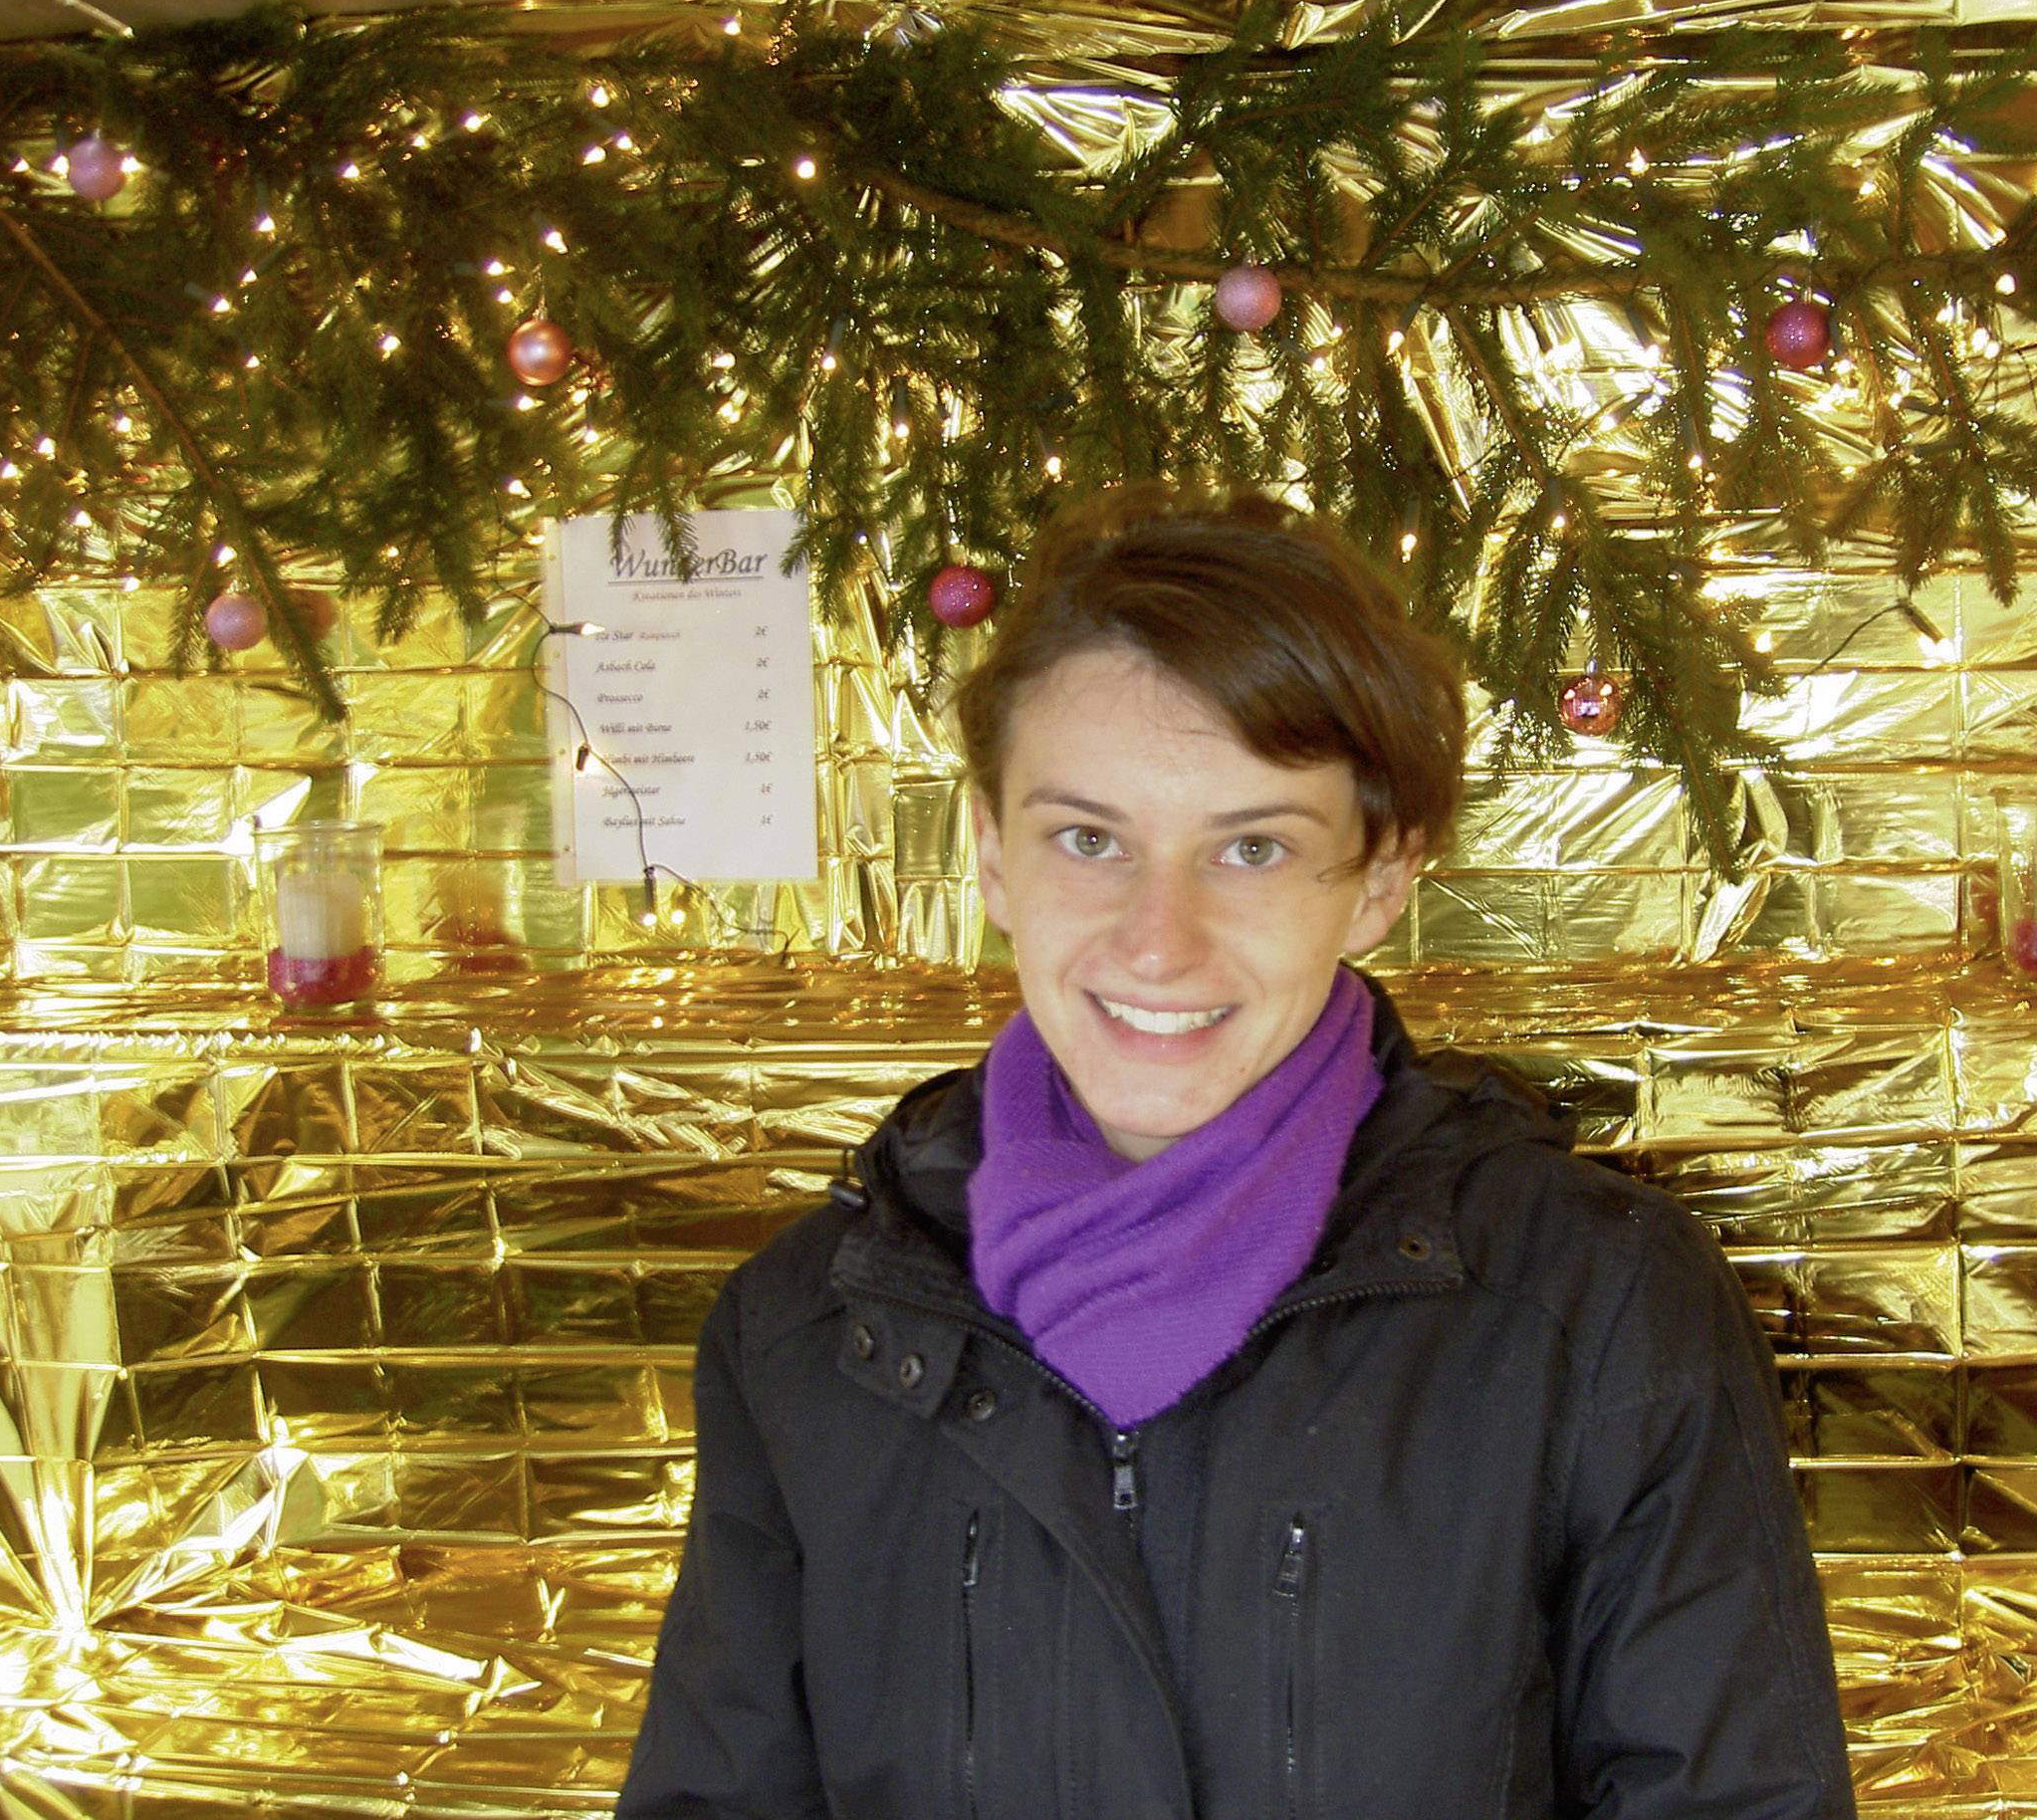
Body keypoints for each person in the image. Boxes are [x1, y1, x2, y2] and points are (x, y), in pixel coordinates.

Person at [614, 485, 1855, 1819]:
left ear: (1379, 875)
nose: (1161, 938)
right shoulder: (804, 1332)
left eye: (1252, 847)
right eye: (1089, 838)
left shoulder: (1595, 1306)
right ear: (988, 848)